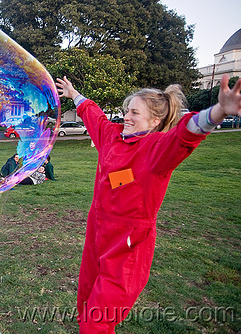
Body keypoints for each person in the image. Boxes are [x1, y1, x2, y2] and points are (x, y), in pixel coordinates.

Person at [55, 74, 241, 333]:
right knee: (85, 306)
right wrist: (75, 94)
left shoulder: (156, 150)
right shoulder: (112, 137)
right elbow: (94, 115)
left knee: (96, 321)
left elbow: (184, 136)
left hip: (127, 248)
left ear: (155, 121)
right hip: (96, 236)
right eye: (126, 111)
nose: (126, 117)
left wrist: (219, 111)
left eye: (134, 113)